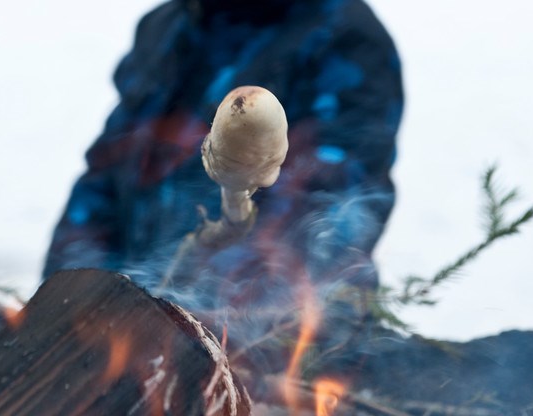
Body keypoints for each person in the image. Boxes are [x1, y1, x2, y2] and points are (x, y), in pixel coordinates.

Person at [44, 0, 403, 392]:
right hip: (134, 345)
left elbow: (327, 211)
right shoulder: (166, 26)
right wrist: (73, 299)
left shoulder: (344, 36)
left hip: (269, 361)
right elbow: (106, 179)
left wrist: (191, 325)